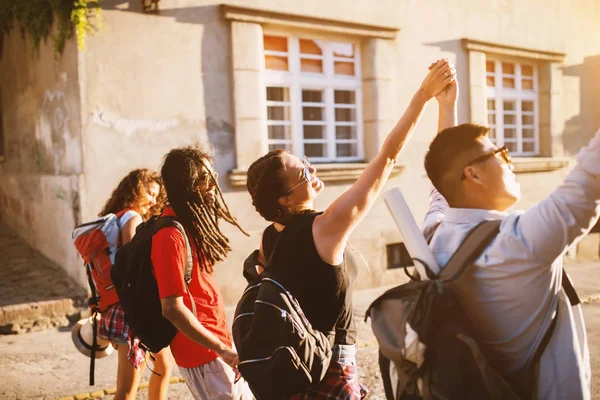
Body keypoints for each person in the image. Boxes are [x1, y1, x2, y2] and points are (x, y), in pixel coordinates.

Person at [245, 59, 455, 399]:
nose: (312, 168)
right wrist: (423, 97)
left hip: (299, 363)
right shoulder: (324, 227)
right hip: (329, 362)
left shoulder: (271, 235)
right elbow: (387, 158)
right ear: (285, 200)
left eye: (306, 161)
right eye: (303, 172)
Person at [422, 73, 599, 398]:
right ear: (473, 174)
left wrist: (447, 108)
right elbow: (586, 184)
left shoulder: (433, 233)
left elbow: (441, 186)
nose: (510, 161)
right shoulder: (515, 242)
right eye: (500, 154)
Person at [153, 145, 254, 399]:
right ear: (185, 184)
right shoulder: (170, 236)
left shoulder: (191, 224)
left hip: (216, 347)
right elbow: (172, 309)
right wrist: (223, 350)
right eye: (204, 179)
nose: (212, 185)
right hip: (203, 354)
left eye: (213, 177)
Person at [97, 168, 174, 400]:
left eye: (155, 195)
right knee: (127, 388)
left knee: (163, 365)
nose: (152, 200)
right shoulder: (132, 217)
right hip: (129, 311)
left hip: (118, 306)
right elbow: (132, 263)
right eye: (149, 193)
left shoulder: (116, 216)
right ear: (135, 191)